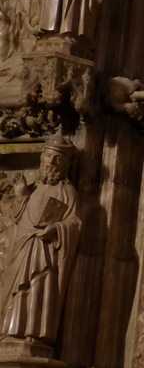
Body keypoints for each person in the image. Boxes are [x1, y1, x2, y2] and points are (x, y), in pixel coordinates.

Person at [0, 137, 81, 342]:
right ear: (41, 157)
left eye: (58, 159)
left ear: (66, 165)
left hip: (43, 250)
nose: (51, 162)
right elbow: (19, 218)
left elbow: (74, 222)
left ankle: (32, 334)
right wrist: (21, 196)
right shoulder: (33, 188)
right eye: (48, 156)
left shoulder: (67, 191)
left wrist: (56, 228)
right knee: (14, 289)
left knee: (37, 287)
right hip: (21, 247)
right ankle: (8, 331)